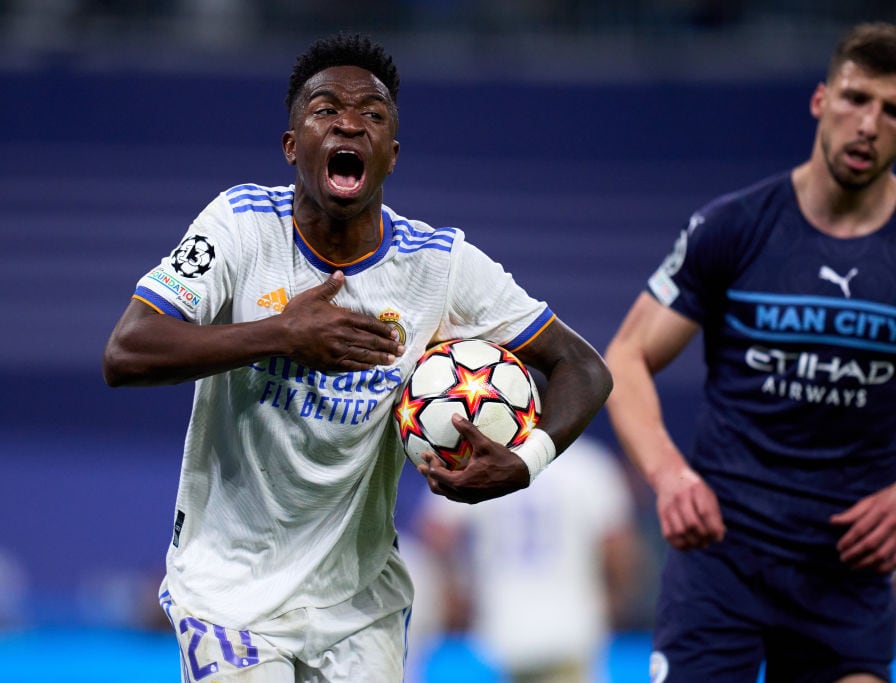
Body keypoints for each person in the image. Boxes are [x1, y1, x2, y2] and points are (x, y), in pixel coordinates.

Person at [102, 32, 611, 683]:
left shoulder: (439, 265)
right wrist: (281, 335)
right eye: (325, 110)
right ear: (292, 147)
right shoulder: (239, 226)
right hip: (228, 597)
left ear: (391, 156)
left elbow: (584, 367)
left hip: (361, 606)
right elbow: (127, 351)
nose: (349, 122)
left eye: (372, 114)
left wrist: (526, 459)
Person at [603, 22, 896, 683]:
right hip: (721, 557)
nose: (869, 123)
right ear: (821, 100)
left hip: (845, 567)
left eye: (894, 110)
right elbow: (626, 356)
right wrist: (668, 473)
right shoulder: (733, 226)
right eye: (855, 98)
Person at [413, 434, 641, 683]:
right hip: (571, 627)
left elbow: (436, 534)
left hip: (502, 630)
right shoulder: (588, 462)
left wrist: (455, 592)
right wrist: (615, 599)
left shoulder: (481, 462)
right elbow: (618, 547)